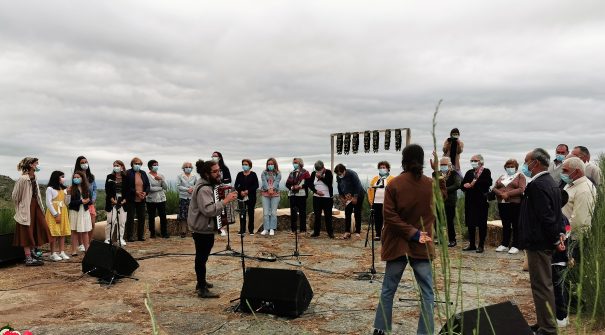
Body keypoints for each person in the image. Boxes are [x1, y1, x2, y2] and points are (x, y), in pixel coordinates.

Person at [373, 144, 437, 335]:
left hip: (398, 243)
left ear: (404, 161)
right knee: (427, 293)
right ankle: (425, 332)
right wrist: (438, 175)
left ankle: (381, 328)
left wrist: (411, 233)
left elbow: (390, 217)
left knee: (388, 289)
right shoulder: (430, 184)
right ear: (423, 160)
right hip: (422, 244)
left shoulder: (394, 184)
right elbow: (441, 204)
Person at [517, 148, 564, 335]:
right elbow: (556, 213)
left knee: (542, 286)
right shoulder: (551, 182)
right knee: (542, 284)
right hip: (544, 241)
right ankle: (543, 321)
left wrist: (554, 239)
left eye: (526, 161)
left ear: (535, 163)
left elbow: (546, 216)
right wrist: (558, 235)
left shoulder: (537, 185)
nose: (525, 165)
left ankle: (548, 328)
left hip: (539, 242)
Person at [188, 159, 237, 298]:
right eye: (215, 172)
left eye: (219, 171)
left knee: (202, 257)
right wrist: (225, 201)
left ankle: (201, 282)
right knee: (201, 258)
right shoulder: (204, 188)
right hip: (202, 228)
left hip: (204, 227)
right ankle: (202, 288)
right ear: (206, 174)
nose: (218, 174)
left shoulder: (207, 184)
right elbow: (208, 210)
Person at [12, 157, 51, 266]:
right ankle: (28, 257)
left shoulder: (34, 176)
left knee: (39, 227)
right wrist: (22, 206)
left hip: (36, 206)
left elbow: (36, 193)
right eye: (35, 163)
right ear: (30, 165)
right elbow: (15, 196)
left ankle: (34, 252)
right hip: (26, 208)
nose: (37, 165)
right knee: (26, 231)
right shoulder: (23, 179)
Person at [492, 159, 526, 254]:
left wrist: (508, 194)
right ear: (505, 168)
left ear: (516, 168)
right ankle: (505, 244)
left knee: (515, 224)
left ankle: (516, 245)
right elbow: (494, 188)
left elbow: (521, 189)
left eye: (512, 167)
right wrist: (501, 194)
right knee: (505, 224)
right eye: (508, 166)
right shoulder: (502, 177)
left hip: (515, 203)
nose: (510, 168)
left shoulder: (520, 176)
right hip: (502, 203)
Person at [461, 154, 492, 253]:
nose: (473, 162)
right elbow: (462, 185)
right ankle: (472, 244)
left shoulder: (486, 171)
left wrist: (473, 184)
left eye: (475, 160)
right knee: (471, 223)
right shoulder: (469, 172)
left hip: (481, 201)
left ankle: (481, 245)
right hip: (470, 201)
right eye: (472, 160)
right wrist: (465, 185)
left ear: (481, 161)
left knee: (482, 224)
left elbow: (487, 182)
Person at [44, 171, 71, 261]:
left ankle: (62, 251)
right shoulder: (50, 189)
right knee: (54, 233)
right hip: (54, 212)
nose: (63, 178)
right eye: (62, 176)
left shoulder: (64, 189)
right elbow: (48, 203)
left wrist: (69, 194)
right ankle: (53, 253)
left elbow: (67, 202)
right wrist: (55, 214)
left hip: (63, 210)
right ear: (56, 177)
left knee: (62, 232)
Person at [335, 163, 365, 239]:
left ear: (344, 170)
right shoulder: (338, 177)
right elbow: (339, 187)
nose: (340, 175)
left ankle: (357, 232)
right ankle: (347, 232)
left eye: (341, 173)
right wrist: (342, 198)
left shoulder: (352, 174)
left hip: (358, 194)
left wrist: (355, 197)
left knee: (357, 212)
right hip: (348, 196)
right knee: (347, 213)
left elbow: (357, 186)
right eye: (338, 174)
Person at [367, 161, 395, 241]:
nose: (382, 169)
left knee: (387, 218)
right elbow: (370, 190)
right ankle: (378, 234)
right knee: (377, 218)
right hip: (376, 202)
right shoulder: (375, 179)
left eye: (384, 167)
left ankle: (387, 234)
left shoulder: (392, 179)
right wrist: (371, 201)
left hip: (387, 203)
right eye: (380, 168)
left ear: (388, 169)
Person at [306, 160, 334, 238]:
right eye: (317, 170)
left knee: (328, 215)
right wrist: (316, 191)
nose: (318, 171)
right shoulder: (313, 173)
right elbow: (310, 184)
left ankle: (330, 232)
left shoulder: (328, 172)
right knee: (317, 215)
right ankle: (316, 232)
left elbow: (329, 182)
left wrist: (321, 178)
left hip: (327, 198)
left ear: (323, 167)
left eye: (319, 170)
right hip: (317, 197)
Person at [66, 171, 93, 253]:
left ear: (82, 178)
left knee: (85, 231)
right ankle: (74, 250)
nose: (76, 179)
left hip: (84, 211)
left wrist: (88, 201)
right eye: (74, 177)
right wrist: (81, 201)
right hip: (74, 211)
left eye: (78, 177)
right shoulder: (71, 188)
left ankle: (87, 249)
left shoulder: (86, 188)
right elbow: (68, 203)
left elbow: (90, 201)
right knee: (74, 231)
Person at [124, 157, 150, 242]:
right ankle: (130, 236)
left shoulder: (143, 173)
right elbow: (127, 186)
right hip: (131, 199)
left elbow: (147, 185)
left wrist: (145, 192)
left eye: (139, 164)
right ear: (132, 164)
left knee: (142, 217)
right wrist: (136, 192)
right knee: (130, 218)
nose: (137, 165)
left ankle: (140, 236)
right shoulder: (128, 173)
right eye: (136, 163)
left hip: (141, 199)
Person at [74, 156, 97, 246]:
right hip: (80, 203)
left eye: (86, 162)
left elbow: (94, 189)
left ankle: (88, 243)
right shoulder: (77, 176)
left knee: (92, 223)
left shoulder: (91, 176)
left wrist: (94, 198)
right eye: (82, 162)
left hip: (90, 203)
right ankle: (81, 244)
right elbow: (75, 189)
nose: (84, 164)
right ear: (78, 164)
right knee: (81, 224)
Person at [439, 157, 462, 247]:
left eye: (444, 164)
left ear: (449, 164)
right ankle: (441, 238)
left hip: (450, 200)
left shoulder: (454, 173)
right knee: (440, 220)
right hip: (439, 200)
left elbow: (457, 184)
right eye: (441, 164)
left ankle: (452, 240)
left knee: (449, 221)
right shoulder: (439, 173)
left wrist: (444, 190)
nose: (443, 166)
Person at [104, 160, 128, 245]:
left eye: (117, 165)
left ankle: (120, 238)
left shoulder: (126, 177)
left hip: (123, 201)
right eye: (114, 165)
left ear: (122, 167)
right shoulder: (109, 176)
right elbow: (107, 190)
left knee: (122, 221)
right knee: (110, 220)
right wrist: (112, 200)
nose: (116, 167)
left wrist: (124, 200)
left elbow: (129, 191)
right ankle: (108, 238)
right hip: (112, 201)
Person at [285, 157, 311, 234]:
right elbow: (287, 184)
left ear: (300, 163)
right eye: (293, 163)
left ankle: (303, 230)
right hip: (293, 195)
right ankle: (293, 229)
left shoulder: (305, 173)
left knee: (302, 212)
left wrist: (300, 186)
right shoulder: (292, 173)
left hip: (302, 195)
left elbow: (308, 183)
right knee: (293, 212)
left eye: (296, 162)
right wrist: (292, 187)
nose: (294, 164)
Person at [234, 159, 259, 236]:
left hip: (251, 197)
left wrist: (248, 191)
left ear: (250, 166)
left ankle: (251, 230)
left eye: (246, 164)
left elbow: (256, 185)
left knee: (251, 213)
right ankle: (242, 230)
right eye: (243, 164)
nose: (244, 166)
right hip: (241, 197)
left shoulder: (253, 174)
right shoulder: (239, 174)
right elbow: (236, 185)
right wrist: (240, 191)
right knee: (242, 213)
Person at [146, 159, 169, 238]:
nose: (156, 166)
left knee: (163, 216)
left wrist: (161, 180)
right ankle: (152, 233)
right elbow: (150, 189)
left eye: (157, 165)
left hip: (161, 199)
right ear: (150, 166)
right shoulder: (147, 176)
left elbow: (165, 187)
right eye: (154, 165)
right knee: (151, 216)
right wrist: (160, 188)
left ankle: (164, 232)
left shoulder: (161, 175)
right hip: (151, 199)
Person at [211, 151, 231, 237]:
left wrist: (221, 182)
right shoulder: (210, 168)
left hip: (221, 191)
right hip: (212, 191)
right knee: (213, 208)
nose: (214, 157)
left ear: (220, 158)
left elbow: (229, 180)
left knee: (222, 210)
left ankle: (222, 228)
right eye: (213, 156)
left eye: (215, 156)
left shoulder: (224, 168)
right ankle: (214, 227)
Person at [260, 158, 281, 236]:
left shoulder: (278, 173)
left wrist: (272, 189)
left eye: (271, 164)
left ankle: (272, 228)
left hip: (275, 195)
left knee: (273, 212)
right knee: (265, 213)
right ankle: (266, 228)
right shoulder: (264, 173)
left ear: (275, 164)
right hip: (265, 194)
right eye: (269, 164)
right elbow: (264, 181)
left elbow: (276, 182)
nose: (270, 165)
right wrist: (268, 189)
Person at [176, 162, 198, 238]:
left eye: (189, 167)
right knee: (183, 215)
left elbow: (197, 185)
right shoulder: (180, 176)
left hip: (192, 198)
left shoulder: (194, 176)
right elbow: (178, 186)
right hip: (183, 197)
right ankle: (183, 231)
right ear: (183, 168)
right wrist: (187, 189)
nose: (188, 168)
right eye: (186, 167)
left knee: (192, 214)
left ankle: (193, 230)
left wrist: (192, 189)